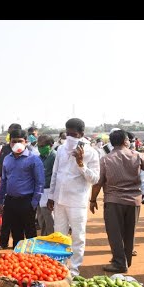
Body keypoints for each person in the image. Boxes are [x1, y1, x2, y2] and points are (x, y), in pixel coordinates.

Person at [89, 130, 144, 273]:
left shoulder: (106, 159)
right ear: (125, 141)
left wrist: (93, 200)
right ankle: (125, 260)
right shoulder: (136, 156)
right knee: (129, 232)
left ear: (112, 143)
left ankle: (119, 262)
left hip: (113, 201)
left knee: (115, 233)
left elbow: (98, 184)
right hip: (133, 201)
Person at [47, 118, 100, 277]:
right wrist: (51, 196)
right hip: (59, 199)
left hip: (77, 201)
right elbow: (55, 173)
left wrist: (80, 163)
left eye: (74, 134)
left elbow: (95, 179)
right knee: (59, 235)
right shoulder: (61, 149)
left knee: (78, 236)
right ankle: (60, 267)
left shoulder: (91, 152)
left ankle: (74, 269)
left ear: (82, 134)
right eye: (68, 133)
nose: (70, 137)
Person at [0, 129, 45, 247]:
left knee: (30, 230)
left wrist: (34, 202)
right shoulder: (7, 159)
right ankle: (18, 255)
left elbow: (40, 182)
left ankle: (32, 257)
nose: (17, 144)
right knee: (15, 231)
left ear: (26, 142)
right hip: (11, 200)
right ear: (10, 143)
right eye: (14, 141)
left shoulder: (33, 159)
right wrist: (0, 200)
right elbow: (3, 181)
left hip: (27, 200)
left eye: (20, 141)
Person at [0, 123, 23, 250]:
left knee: (19, 222)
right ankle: (3, 242)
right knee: (6, 218)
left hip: (23, 193)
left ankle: (18, 245)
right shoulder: (5, 149)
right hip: (7, 188)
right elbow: (1, 166)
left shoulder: (31, 153)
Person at [37, 134, 56, 236]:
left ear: (51, 145)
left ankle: (52, 238)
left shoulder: (54, 157)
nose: (40, 148)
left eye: (43, 146)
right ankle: (45, 238)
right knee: (41, 217)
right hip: (40, 191)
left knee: (49, 218)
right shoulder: (39, 157)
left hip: (49, 191)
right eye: (39, 146)